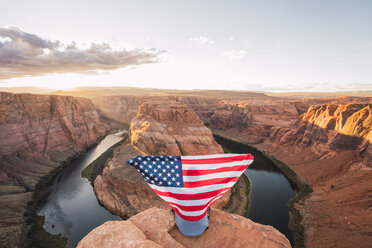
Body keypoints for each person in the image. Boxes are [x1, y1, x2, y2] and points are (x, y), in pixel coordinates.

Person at [127, 153, 254, 236]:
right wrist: (245, 160)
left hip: (182, 228)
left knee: (176, 209)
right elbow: (225, 178)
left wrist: (138, 162)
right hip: (201, 227)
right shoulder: (208, 191)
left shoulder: (177, 192)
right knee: (206, 210)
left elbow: (154, 175)